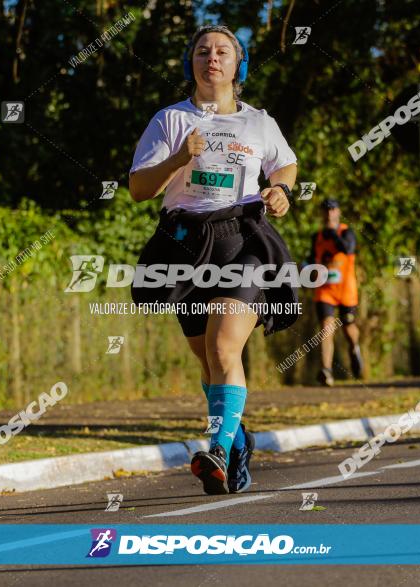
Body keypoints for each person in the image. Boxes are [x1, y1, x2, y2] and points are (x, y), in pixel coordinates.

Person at [128, 25, 299, 495]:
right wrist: (178, 159)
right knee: (207, 360)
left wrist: (280, 188)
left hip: (241, 238)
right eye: (202, 51)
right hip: (184, 243)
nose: (212, 58)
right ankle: (237, 437)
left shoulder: (259, 122)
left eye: (223, 51)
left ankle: (218, 448)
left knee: (225, 347)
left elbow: (284, 162)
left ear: (238, 65)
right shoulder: (170, 120)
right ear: (192, 64)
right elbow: (141, 189)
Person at [309, 198, 363, 385]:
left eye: (333, 209)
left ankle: (354, 347)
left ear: (338, 212)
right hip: (325, 290)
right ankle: (326, 371)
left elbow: (347, 249)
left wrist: (333, 234)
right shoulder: (316, 237)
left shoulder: (346, 232)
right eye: (325, 210)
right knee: (326, 328)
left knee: (349, 328)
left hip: (346, 290)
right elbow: (310, 259)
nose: (329, 213)